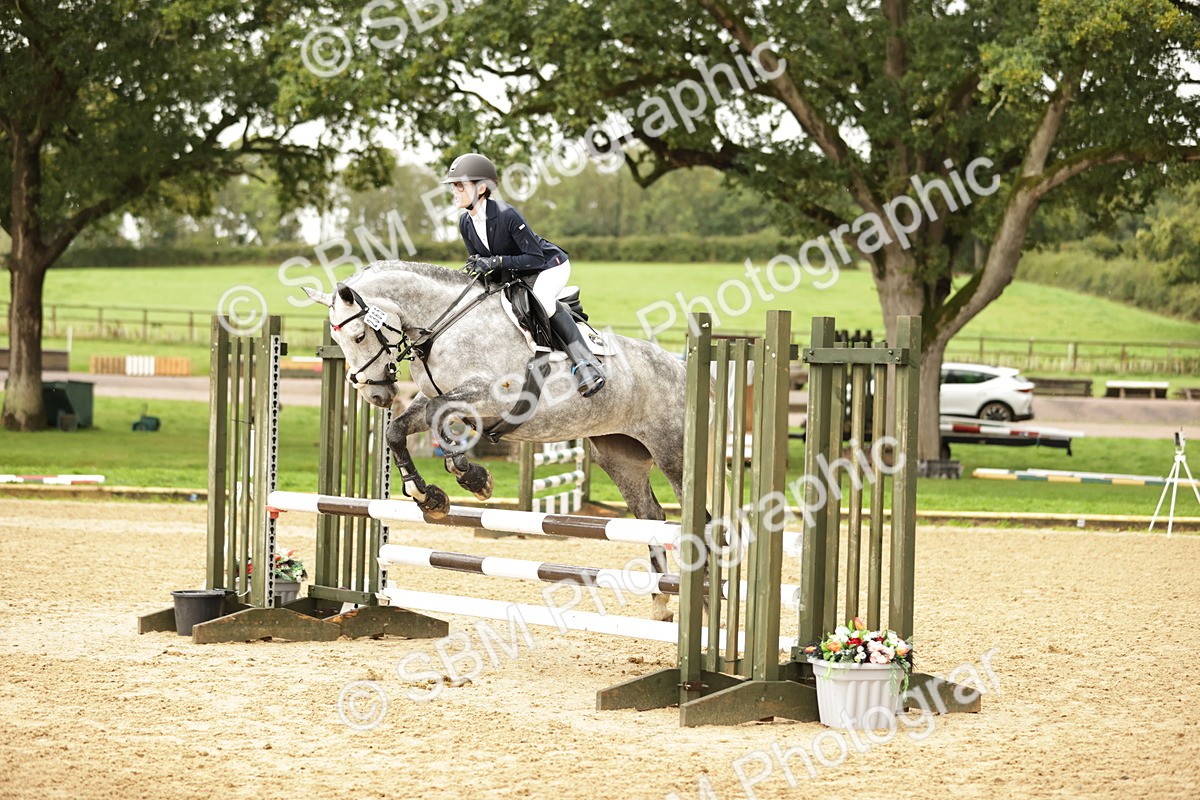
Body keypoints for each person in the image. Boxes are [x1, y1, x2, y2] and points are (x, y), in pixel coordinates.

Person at [442, 153, 605, 397]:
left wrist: (496, 261)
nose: (455, 191)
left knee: (542, 301)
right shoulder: (465, 223)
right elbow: (480, 260)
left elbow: (535, 257)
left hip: (549, 266)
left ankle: (586, 364)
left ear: (482, 188)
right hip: (517, 274)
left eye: (460, 186)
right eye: (454, 186)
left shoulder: (507, 215)